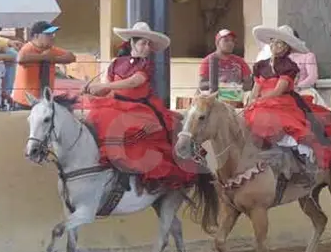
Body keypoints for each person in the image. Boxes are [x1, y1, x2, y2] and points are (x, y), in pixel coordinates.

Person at [81, 22, 198, 191]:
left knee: (147, 132)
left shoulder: (145, 64)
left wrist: (105, 86)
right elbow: (106, 89)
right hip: (116, 104)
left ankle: (145, 178)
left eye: (149, 44)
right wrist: (91, 90)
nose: (147, 47)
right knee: (97, 120)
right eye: (143, 43)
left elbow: (135, 81)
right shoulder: (115, 63)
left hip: (140, 107)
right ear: (132, 43)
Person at [243, 25, 331, 170]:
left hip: (281, 100)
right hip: (262, 101)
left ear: (286, 48)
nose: (275, 46)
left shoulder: (288, 66)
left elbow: (278, 90)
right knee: (249, 116)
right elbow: (256, 87)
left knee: (278, 120)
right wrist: (251, 100)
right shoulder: (261, 65)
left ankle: (299, 146)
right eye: (273, 42)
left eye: (280, 43)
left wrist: (259, 100)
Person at [13, 21, 76, 107]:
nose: (52, 37)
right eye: (48, 34)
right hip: (25, 102)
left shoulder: (50, 49)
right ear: (36, 36)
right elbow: (21, 58)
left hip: (45, 101)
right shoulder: (28, 48)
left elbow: (71, 57)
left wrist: (53, 59)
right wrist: (44, 57)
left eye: (53, 34)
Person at [198, 28, 252, 99]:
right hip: (215, 98)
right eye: (226, 40)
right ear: (217, 43)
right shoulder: (208, 60)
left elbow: (249, 83)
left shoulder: (240, 61)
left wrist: (236, 87)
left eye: (232, 41)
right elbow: (202, 85)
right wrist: (220, 85)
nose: (230, 43)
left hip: (235, 97)